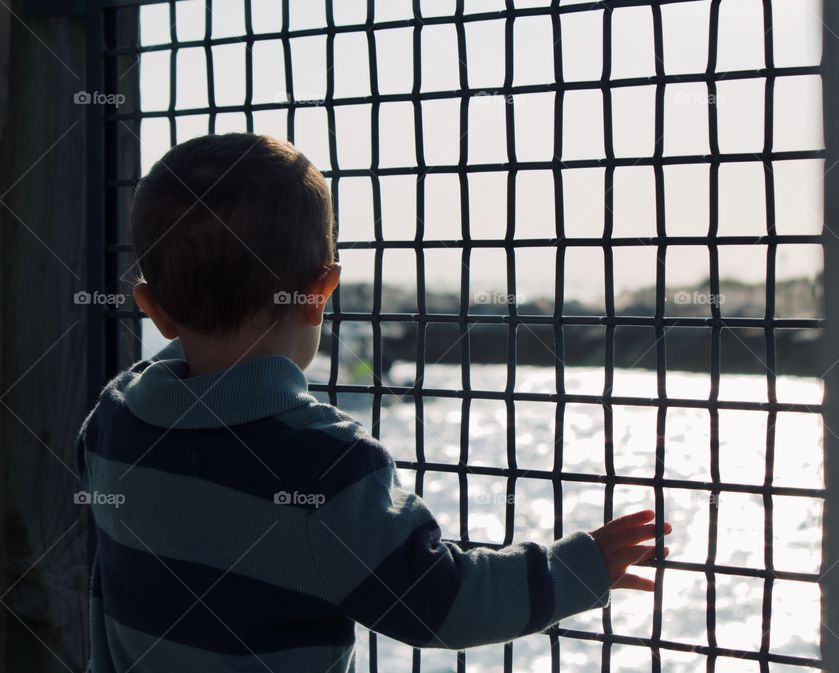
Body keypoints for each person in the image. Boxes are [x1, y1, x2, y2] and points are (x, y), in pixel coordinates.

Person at [76, 133, 671, 672]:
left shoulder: (113, 423)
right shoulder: (325, 466)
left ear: (151, 306)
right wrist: (577, 569)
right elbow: (443, 604)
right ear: (320, 294)